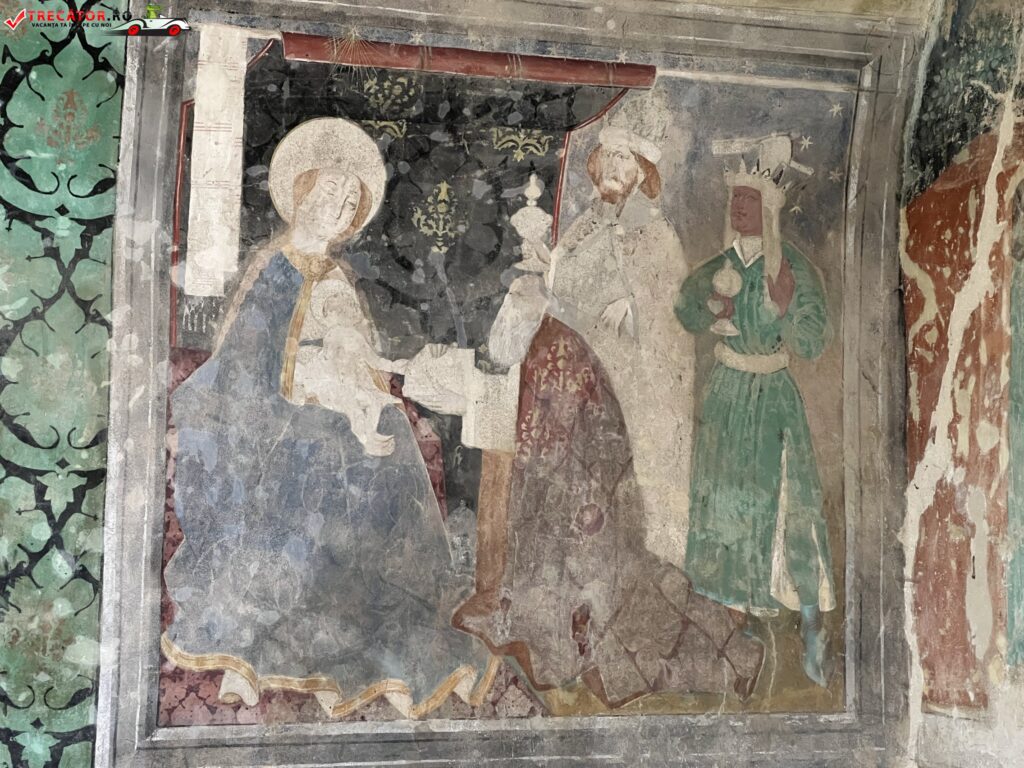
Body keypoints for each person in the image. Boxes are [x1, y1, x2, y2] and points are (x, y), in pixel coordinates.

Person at [403, 103, 765, 707]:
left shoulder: (655, 234)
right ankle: (552, 618)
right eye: (608, 156)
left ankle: (658, 638)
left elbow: (663, 323)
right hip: (560, 394)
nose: (615, 167)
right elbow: (564, 290)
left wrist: (630, 310)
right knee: (551, 509)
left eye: (626, 158)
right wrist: (541, 274)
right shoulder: (586, 225)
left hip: (608, 406)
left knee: (599, 527)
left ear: (644, 169)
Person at [162, 118, 495, 719]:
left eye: (349, 204)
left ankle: (358, 629)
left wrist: (372, 387)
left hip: (330, 406)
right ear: (301, 192)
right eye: (329, 194)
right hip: (266, 420)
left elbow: (354, 347)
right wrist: (298, 396)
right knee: (313, 455)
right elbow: (242, 362)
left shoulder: (338, 277)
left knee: (389, 434)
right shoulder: (273, 266)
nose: (337, 210)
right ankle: (256, 645)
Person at [674, 135, 835, 686]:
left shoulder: (793, 268)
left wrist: (786, 309)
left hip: (772, 401)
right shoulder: (720, 265)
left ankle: (810, 625)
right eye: (734, 200)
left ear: (769, 209)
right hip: (725, 396)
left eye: (748, 200)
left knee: (787, 504)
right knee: (722, 503)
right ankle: (735, 618)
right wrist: (709, 305)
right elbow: (685, 309)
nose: (738, 208)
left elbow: (812, 341)